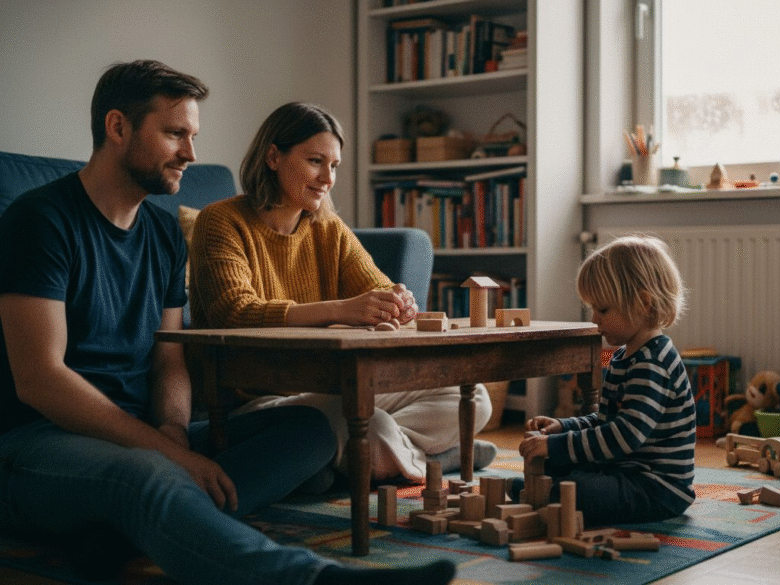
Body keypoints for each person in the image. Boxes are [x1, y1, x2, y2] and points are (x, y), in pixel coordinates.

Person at [0, 60, 455, 585]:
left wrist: (173, 433)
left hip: (144, 434)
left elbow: (169, 355)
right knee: (147, 472)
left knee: (316, 426)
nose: (191, 154)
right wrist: (163, 452)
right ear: (118, 127)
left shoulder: (163, 234)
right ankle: (314, 579)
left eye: (192, 136)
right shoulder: (40, 221)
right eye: (175, 134)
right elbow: (40, 379)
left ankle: (118, 530)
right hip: (38, 443)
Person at [189, 101, 496, 487]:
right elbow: (234, 311)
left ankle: (360, 459)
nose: (328, 178)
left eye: (333, 166)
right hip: (252, 399)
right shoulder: (220, 221)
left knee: (472, 395)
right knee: (361, 421)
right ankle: (434, 459)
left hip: (326, 385)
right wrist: (344, 309)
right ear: (273, 157)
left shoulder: (326, 228)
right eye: (316, 161)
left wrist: (397, 300)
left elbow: (377, 286)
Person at [516, 235, 696, 525]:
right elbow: (605, 421)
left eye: (603, 310)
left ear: (643, 303)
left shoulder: (653, 363)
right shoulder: (623, 356)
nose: (594, 319)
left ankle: (548, 491)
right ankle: (545, 489)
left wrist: (558, 446)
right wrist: (563, 426)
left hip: (657, 488)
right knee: (557, 470)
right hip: (623, 471)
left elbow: (624, 435)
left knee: (579, 489)